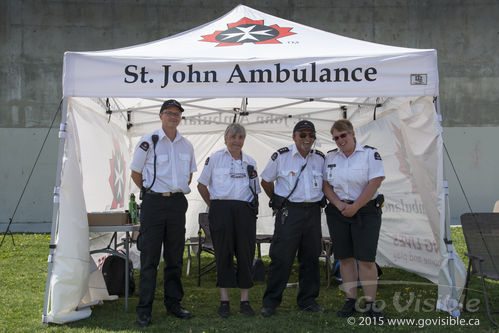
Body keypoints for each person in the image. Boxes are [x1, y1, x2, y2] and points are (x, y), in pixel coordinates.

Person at [130, 99, 196, 327]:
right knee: (149, 258)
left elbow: (189, 176)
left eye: (177, 114)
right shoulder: (149, 142)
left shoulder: (186, 145)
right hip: (154, 204)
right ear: (160, 116)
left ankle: (173, 303)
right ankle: (144, 309)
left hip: (177, 204)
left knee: (174, 257)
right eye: (169, 113)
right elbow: (135, 173)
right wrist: (150, 193)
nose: (173, 117)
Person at [260, 120, 326, 317]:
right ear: (294, 136)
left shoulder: (320, 158)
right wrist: (276, 200)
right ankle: (270, 302)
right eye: (302, 135)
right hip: (290, 213)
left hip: (312, 212)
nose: (307, 139)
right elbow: (266, 181)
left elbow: (325, 183)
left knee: (311, 257)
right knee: (281, 258)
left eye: (311, 135)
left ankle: (308, 300)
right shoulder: (281, 156)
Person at [322, 119, 385, 319]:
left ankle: (370, 305)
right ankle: (350, 301)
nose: (340, 140)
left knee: (366, 260)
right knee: (345, 258)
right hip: (339, 211)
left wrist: (355, 206)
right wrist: (340, 205)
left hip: (365, 211)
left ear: (352, 134)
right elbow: (325, 185)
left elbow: (375, 181)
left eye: (343, 135)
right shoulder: (331, 157)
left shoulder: (369, 154)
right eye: (336, 137)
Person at [197, 123, 261, 318]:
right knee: (223, 254)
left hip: (244, 212)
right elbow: (201, 185)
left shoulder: (250, 162)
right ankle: (224, 301)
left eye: (240, 137)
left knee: (245, 253)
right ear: (226, 139)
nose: (236, 141)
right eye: (233, 137)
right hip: (221, 210)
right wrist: (215, 206)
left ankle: (245, 301)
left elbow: (255, 190)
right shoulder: (215, 159)